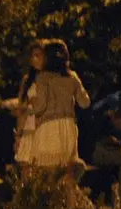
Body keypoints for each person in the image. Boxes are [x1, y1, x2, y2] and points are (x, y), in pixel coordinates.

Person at [25, 39, 90, 172]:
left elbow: (40, 106)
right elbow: (85, 103)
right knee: (66, 171)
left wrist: (30, 105)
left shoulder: (42, 78)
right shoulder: (72, 77)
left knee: (47, 171)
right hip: (68, 126)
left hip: (49, 127)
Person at [15, 41, 46, 164]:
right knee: (26, 162)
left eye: (39, 55)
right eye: (33, 56)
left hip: (44, 124)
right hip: (29, 124)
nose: (35, 59)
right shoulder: (27, 80)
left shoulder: (51, 79)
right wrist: (18, 133)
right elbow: (21, 107)